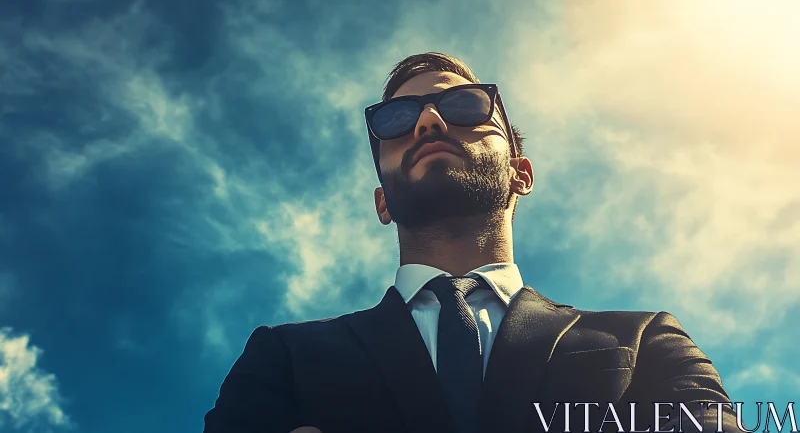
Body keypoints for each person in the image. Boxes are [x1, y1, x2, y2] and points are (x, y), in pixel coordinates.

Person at [203, 52, 737, 433]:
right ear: (382, 203)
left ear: (520, 173)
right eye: (396, 119)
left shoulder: (645, 341)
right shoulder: (284, 357)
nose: (429, 121)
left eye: (464, 106)